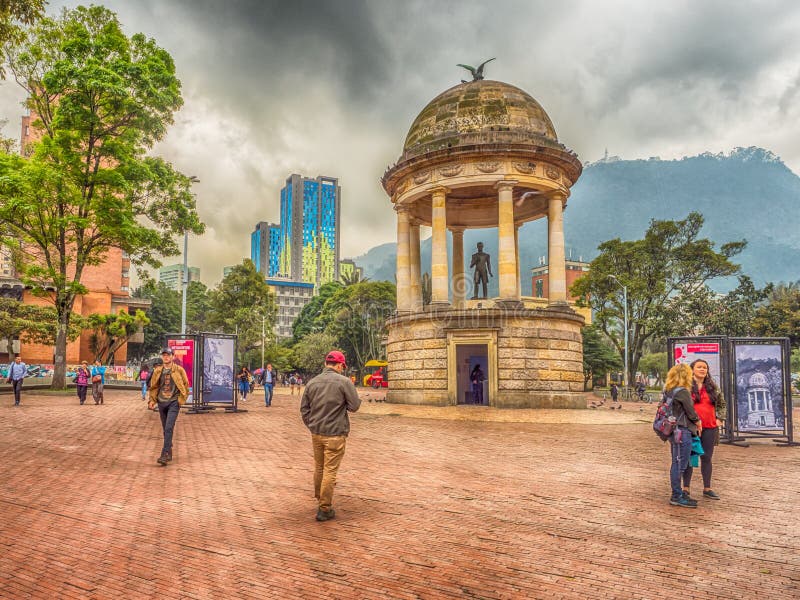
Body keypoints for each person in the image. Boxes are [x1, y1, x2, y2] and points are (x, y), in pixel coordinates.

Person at [299, 350, 361, 522]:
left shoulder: (312, 382)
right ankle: (324, 508)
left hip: (316, 433)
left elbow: (304, 409)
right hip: (335, 433)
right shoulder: (344, 382)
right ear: (340, 365)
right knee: (330, 470)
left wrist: (312, 425)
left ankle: (320, 498)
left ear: (326, 363)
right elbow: (355, 406)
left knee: (319, 467)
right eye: (343, 366)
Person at [683, 359, 726, 500]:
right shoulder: (686, 386)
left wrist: (720, 419)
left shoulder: (713, 387)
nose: (702, 369)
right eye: (699, 367)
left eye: (705, 367)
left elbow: (722, 404)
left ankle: (707, 488)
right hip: (691, 428)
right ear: (692, 369)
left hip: (710, 427)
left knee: (706, 457)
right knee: (689, 457)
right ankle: (686, 488)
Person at [664, 363, 702, 508]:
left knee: (677, 461)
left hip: (673, 431)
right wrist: (698, 422)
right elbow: (691, 412)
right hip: (683, 430)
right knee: (680, 463)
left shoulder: (669, 390)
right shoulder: (683, 392)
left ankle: (678, 493)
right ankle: (677, 495)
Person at [147, 348, 189, 466]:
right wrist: (152, 400)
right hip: (161, 402)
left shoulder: (179, 370)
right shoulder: (158, 371)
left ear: (172, 357)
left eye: (168, 355)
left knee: (169, 427)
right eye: (164, 355)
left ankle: (164, 454)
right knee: (165, 429)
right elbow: (154, 386)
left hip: (174, 402)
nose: (166, 357)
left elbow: (186, 385)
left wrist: (181, 400)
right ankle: (169, 451)